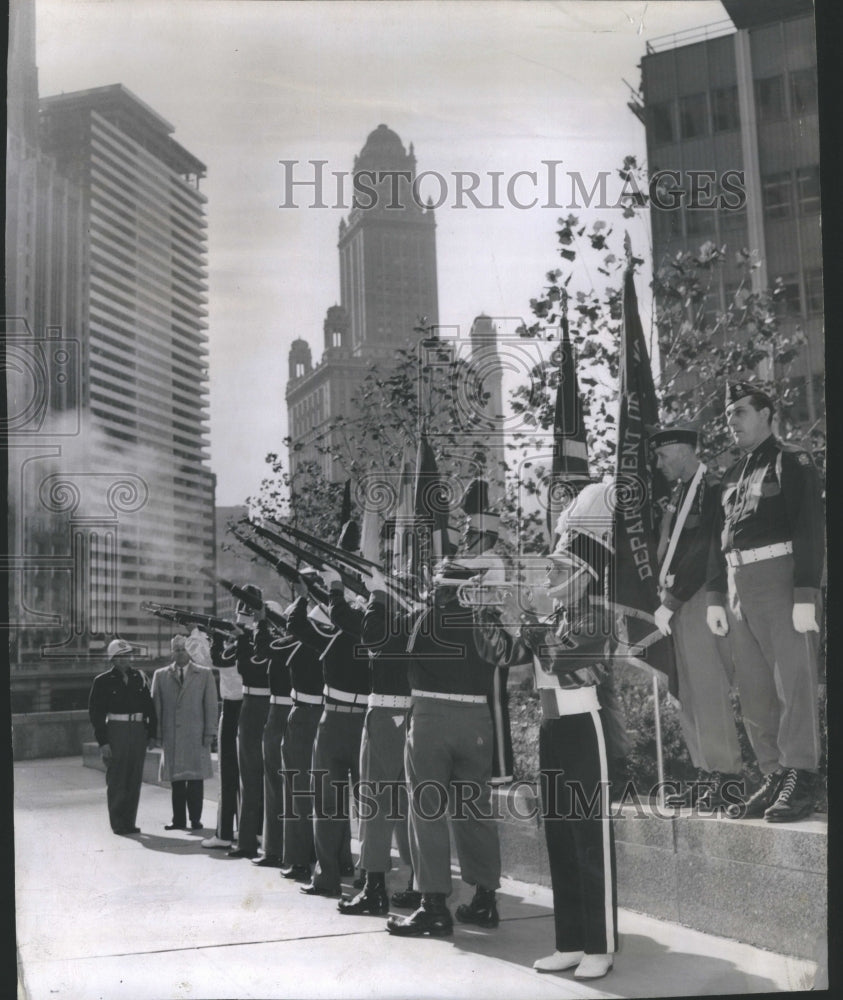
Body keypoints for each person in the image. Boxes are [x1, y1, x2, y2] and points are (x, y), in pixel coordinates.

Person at [706, 381, 824, 822]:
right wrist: (717, 596)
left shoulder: (792, 460)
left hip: (781, 579)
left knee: (793, 683)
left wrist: (805, 593)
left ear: (767, 414)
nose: (730, 421)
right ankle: (773, 772)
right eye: (727, 414)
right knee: (754, 690)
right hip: (740, 586)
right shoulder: (733, 474)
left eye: (739, 411)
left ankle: (801, 774)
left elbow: (810, 526)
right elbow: (719, 541)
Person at [386, 560, 507, 939]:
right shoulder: (487, 624)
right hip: (477, 720)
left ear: (440, 588)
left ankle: (433, 906)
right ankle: (485, 900)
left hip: (432, 719)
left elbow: (389, 651)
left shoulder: (423, 619)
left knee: (427, 812)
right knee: (475, 811)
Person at [520, 545, 617, 981]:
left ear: (581, 575)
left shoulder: (595, 616)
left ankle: (600, 945)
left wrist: (532, 625)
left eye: (557, 569)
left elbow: (562, 659)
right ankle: (571, 942)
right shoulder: (555, 619)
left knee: (588, 838)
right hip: (552, 726)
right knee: (559, 835)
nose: (547, 576)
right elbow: (505, 657)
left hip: (582, 725)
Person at [649, 423, 743, 807]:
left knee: (707, 689)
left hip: (699, 597)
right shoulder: (680, 493)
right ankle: (705, 772)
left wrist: (672, 600)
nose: (657, 464)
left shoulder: (712, 489)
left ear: (684, 450)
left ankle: (728, 777)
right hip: (677, 601)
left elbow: (706, 550)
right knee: (687, 691)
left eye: (661, 455)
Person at [337, 568, 414, 916]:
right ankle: (415, 884)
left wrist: (378, 596)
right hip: (403, 716)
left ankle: (374, 889)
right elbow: (351, 621)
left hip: (387, 716)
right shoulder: (410, 618)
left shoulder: (395, 620)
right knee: (401, 808)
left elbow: (369, 635)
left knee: (374, 806)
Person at [287, 573, 369, 898]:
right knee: (361, 805)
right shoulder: (372, 633)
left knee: (331, 805)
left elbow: (296, 624)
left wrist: (305, 595)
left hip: (337, 723)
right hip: (359, 722)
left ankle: (331, 876)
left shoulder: (339, 636)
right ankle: (363, 874)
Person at [279, 589, 326, 883]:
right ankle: (335, 859)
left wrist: (302, 596)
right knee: (324, 790)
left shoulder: (299, 646)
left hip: (302, 717)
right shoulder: (334, 644)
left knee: (297, 790)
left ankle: (299, 860)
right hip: (325, 716)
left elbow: (270, 647)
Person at [88, 638, 156, 835]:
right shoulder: (102, 681)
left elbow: (150, 708)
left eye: (128, 655)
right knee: (117, 777)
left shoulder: (140, 677)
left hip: (138, 730)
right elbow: (96, 714)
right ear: (113, 659)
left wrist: (151, 734)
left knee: (134, 777)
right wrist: (103, 742)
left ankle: (130, 821)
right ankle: (118, 823)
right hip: (116, 730)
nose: (126, 659)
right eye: (121, 656)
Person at [223, 585, 272, 858]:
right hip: (260, 706)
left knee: (253, 778)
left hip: (257, 706)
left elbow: (244, 666)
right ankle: (255, 840)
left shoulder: (261, 639)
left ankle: (252, 841)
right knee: (256, 778)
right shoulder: (260, 636)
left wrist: (244, 633)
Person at [151, 634, 218, 830]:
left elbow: (211, 706)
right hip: (173, 735)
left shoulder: (204, 674)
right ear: (171, 652)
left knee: (196, 780)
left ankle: (195, 820)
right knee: (177, 781)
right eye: (176, 649)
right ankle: (178, 820)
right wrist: (158, 735)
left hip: (196, 735)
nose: (180, 653)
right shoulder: (161, 675)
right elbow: (157, 708)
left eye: (183, 649)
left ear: (189, 651)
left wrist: (209, 733)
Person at [252, 606, 297, 868]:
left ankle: (273, 849)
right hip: (297, 709)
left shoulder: (285, 644)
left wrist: (260, 623)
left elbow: (262, 649)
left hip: (280, 712)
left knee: (273, 783)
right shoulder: (306, 642)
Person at [202, 628, 243, 849]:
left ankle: (224, 833)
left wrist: (212, 638)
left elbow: (214, 659)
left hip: (232, 707)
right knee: (247, 776)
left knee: (227, 775)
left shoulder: (238, 647)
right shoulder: (261, 645)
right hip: (254, 707)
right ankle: (251, 830)